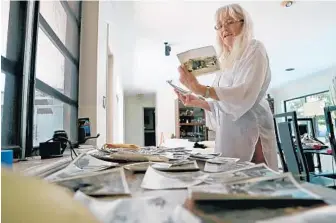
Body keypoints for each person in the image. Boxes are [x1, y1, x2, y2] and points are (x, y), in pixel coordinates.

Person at [175, 3, 278, 171]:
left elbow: (243, 94)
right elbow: (223, 105)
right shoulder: (225, 62)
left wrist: (202, 89)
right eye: (220, 25)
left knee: (254, 185)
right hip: (230, 134)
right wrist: (199, 101)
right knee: (232, 184)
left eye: (230, 21)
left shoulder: (254, 48)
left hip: (252, 128)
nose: (224, 28)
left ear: (244, 24)